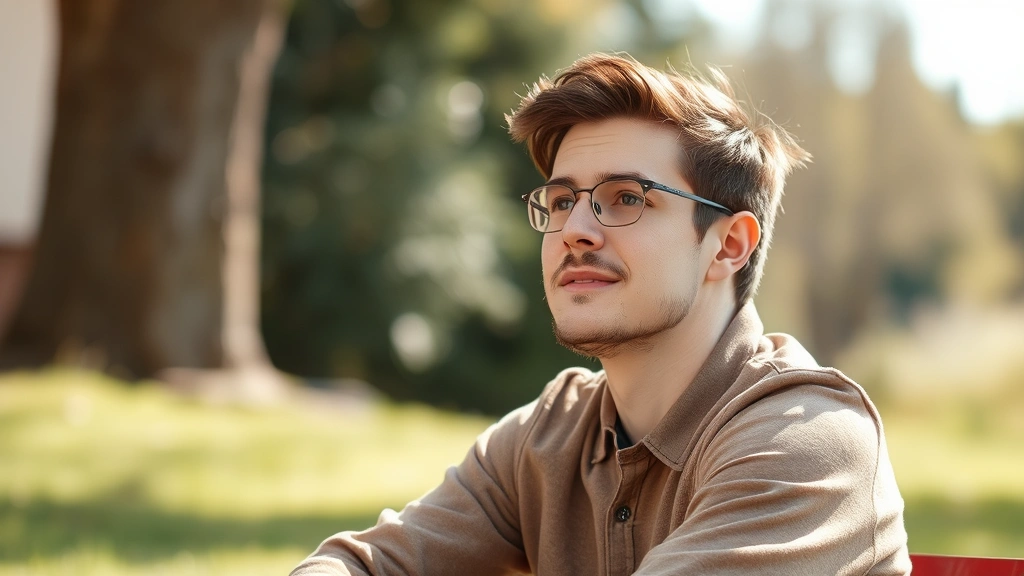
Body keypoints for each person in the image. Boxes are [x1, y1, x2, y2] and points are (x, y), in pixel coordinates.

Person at [291, 53, 911, 575]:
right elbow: (369, 566)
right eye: (562, 201)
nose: (575, 231)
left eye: (625, 198)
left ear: (727, 245)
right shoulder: (546, 438)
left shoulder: (807, 444)